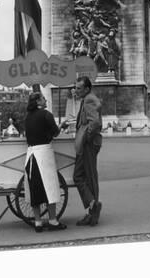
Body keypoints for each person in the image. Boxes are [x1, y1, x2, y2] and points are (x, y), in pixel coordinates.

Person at [24, 91, 69, 232]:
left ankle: (38, 221)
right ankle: (53, 220)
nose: (46, 100)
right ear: (38, 101)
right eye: (43, 98)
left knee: (34, 189)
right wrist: (62, 126)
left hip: (31, 154)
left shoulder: (27, 117)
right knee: (51, 187)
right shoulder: (46, 115)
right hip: (44, 154)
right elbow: (55, 133)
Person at [71, 75, 103, 226]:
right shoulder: (86, 99)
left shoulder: (89, 99)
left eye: (79, 88)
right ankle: (92, 208)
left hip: (88, 144)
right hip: (87, 144)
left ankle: (93, 208)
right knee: (83, 176)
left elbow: (95, 123)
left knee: (85, 177)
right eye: (76, 87)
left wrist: (86, 138)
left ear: (87, 89)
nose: (76, 90)